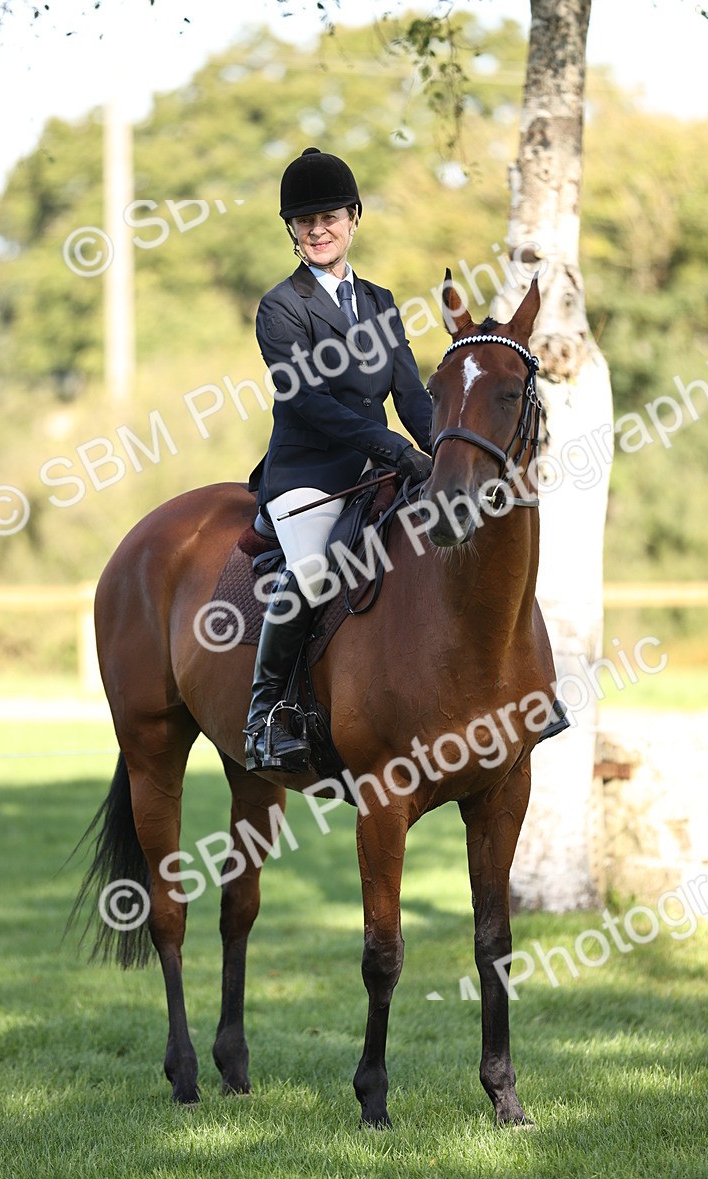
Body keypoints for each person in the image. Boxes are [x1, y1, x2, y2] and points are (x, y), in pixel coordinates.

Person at [244, 146, 434, 773]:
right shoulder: (282, 307)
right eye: (305, 222)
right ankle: (266, 714)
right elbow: (310, 403)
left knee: (462, 529)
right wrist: (393, 449)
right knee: (314, 571)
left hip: (379, 467)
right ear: (293, 232)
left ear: (353, 217)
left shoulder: (380, 302)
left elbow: (409, 393)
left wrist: (446, 448)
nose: (318, 230)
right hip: (309, 474)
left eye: (328, 216)